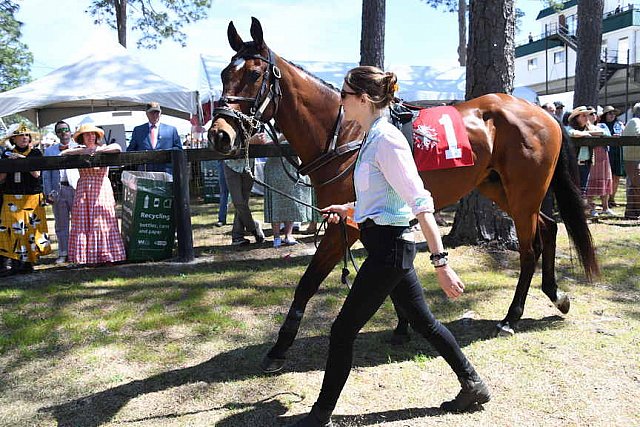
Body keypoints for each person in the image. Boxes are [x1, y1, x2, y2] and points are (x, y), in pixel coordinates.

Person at [291, 66, 490, 427]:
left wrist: (442, 263)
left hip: (391, 250)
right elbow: (384, 199)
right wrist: (349, 210)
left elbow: (419, 203)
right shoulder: (372, 136)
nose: (341, 100)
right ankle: (473, 383)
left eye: (345, 94)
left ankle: (319, 416)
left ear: (364, 99)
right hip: (386, 244)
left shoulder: (388, 141)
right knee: (425, 323)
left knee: (342, 331)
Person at [62, 124, 126, 265]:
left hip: (101, 187)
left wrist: (97, 150)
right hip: (84, 187)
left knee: (103, 220)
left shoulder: (105, 148)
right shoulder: (78, 150)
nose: (90, 137)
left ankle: (107, 255)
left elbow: (118, 148)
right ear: (81, 138)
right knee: (82, 222)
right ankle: (84, 257)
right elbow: (65, 153)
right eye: (87, 134)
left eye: (93, 134)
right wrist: (82, 151)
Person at [0, 123, 51, 276]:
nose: (24, 138)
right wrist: (8, 163)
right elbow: (1, 179)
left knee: (30, 231)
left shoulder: (35, 153)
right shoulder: (6, 154)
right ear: (13, 139)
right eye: (21, 136)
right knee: (9, 230)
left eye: (26, 135)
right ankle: (13, 264)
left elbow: (37, 174)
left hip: (31, 197)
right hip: (11, 196)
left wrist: (21, 160)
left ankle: (28, 263)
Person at [262, 130, 312, 248]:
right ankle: (276, 237)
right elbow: (264, 147)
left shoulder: (294, 128)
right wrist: (281, 139)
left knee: (291, 202)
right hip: (274, 170)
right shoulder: (269, 129)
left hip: (291, 169)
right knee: (276, 203)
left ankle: (288, 235)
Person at [42, 121, 79, 264]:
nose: (63, 132)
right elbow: (46, 174)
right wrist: (48, 193)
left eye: (65, 129)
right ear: (56, 134)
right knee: (61, 225)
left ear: (70, 132)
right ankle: (63, 253)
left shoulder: (79, 148)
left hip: (76, 189)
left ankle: (77, 252)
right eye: (59, 131)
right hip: (57, 191)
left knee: (78, 223)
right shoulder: (49, 151)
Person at [224, 133, 265, 245]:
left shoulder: (252, 121)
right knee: (238, 202)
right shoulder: (224, 120)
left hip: (248, 165)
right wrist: (248, 142)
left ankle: (237, 236)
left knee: (243, 203)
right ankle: (253, 227)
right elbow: (223, 145)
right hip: (230, 164)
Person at [127, 102, 182, 175]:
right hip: (145, 173)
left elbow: (179, 149)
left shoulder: (171, 130)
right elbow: (130, 150)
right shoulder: (138, 130)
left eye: (157, 112)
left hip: (166, 173)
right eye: (152, 112)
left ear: (160, 113)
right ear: (146, 114)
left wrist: (163, 153)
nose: (155, 115)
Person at [566, 106, 603, 196]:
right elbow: (572, 133)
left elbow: (601, 132)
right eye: (583, 116)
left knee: (583, 189)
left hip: (586, 163)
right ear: (576, 118)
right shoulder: (569, 128)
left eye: (587, 116)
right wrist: (586, 134)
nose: (586, 118)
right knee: (571, 188)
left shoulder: (590, 128)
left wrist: (588, 132)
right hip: (572, 164)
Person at [586, 108, 614, 216]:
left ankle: (605, 207)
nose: (593, 115)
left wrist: (594, 133)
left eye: (595, 114)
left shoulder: (602, 126)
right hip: (591, 156)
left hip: (603, 155)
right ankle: (591, 208)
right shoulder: (584, 128)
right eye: (590, 114)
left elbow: (607, 135)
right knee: (591, 181)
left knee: (606, 178)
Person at [600, 106, 625, 206]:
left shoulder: (619, 124)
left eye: (614, 113)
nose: (612, 115)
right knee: (607, 176)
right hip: (607, 152)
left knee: (617, 176)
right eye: (610, 113)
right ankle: (605, 200)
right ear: (605, 115)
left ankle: (612, 198)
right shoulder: (601, 125)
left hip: (618, 151)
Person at [621, 102, 640, 219]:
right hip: (634, 159)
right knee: (637, 186)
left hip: (633, 158)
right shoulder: (635, 122)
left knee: (634, 186)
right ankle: (633, 211)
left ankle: (632, 212)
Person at [214, 160, 229, 227]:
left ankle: (242, 221)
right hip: (222, 161)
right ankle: (222, 219)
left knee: (240, 193)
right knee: (224, 192)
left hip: (236, 161)